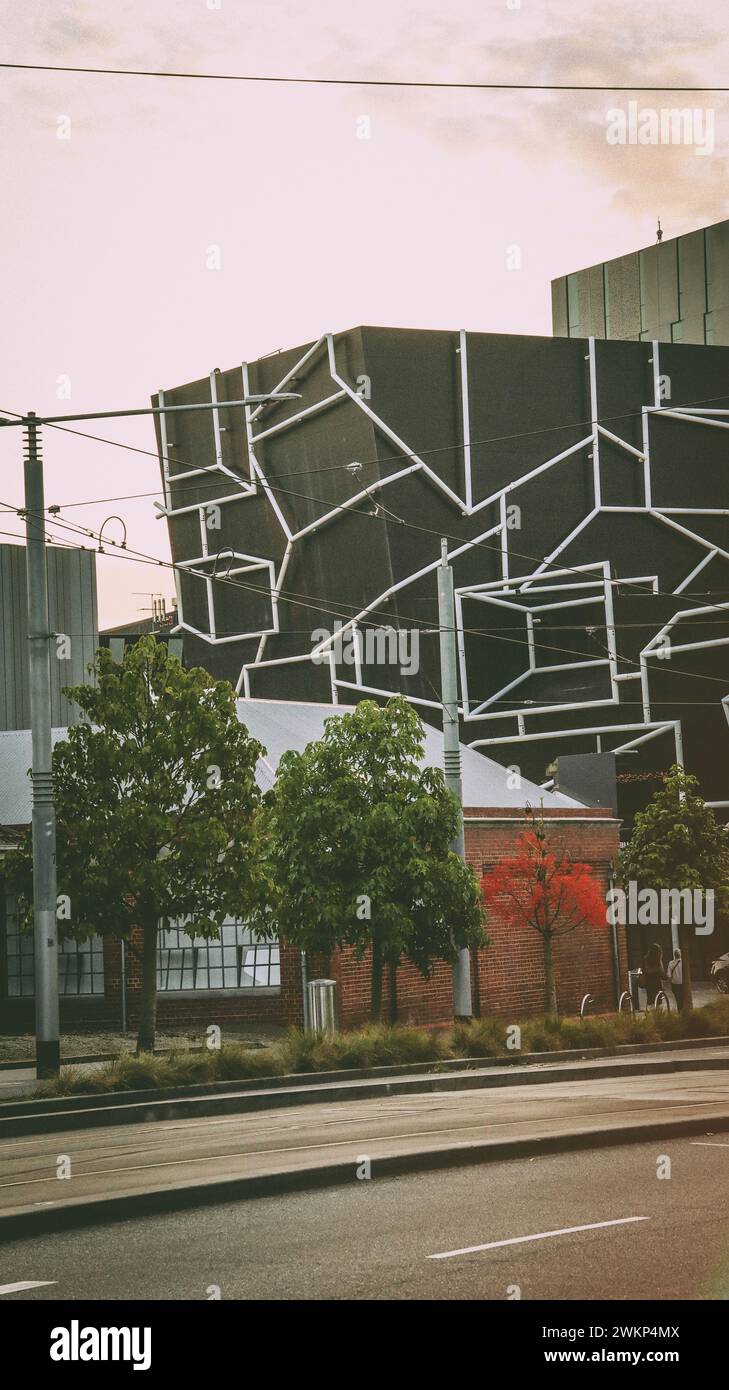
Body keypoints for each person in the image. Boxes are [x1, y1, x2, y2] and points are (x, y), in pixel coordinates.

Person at [641, 942, 664, 1008]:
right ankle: (657, 1014)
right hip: (655, 982)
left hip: (650, 982)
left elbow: (646, 970)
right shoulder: (655, 959)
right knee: (657, 1000)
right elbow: (661, 971)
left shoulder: (646, 958)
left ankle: (653, 1013)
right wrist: (657, 969)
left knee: (651, 1000)